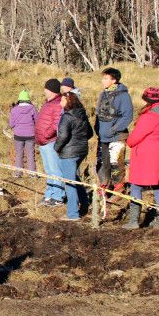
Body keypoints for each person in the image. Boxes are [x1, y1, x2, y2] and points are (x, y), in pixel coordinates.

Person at [124, 88, 159, 229]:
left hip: (146, 158)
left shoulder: (149, 117)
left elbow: (133, 140)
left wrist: (128, 141)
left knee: (135, 186)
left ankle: (134, 221)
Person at [54, 92, 93, 221]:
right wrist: (80, 141)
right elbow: (90, 133)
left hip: (69, 153)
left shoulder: (67, 117)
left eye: (62, 100)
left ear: (68, 101)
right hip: (81, 151)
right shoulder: (82, 114)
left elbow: (63, 136)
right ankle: (84, 202)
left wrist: (56, 147)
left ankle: (73, 214)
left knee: (69, 182)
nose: (60, 103)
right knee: (75, 178)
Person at [94, 67, 133, 191]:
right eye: (103, 78)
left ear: (114, 80)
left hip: (117, 136)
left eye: (106, 78)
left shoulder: (123, 96)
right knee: (102, 163)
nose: (102, 81)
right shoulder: (103, 94)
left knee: (115, 163)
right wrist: (98, 129)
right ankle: (105, 185)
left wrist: (114, 129)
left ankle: (119, 186)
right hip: (103, 136)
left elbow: (128, 116)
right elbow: (98, 114)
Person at [34, 79, 66, 206]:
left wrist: (47, 134)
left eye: (46, 88)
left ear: (51, 90)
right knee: (49, 170)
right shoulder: (48, 103)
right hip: (43, 142)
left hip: (50, 141)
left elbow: (56, 123)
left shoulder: (57, 104)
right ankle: (49, 194)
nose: (44, 91)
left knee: (55, 169)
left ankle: (58, 196)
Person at [8, 90, 38, 178]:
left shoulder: (14, 110)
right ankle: (32, 174)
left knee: (19, 154)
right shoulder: (33, 108)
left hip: (18, 135)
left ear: (19, 99)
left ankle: (18, 173)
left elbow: (11, 124)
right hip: (31, 135)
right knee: (30, 154)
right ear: (28, 99)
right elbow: (37, 121)